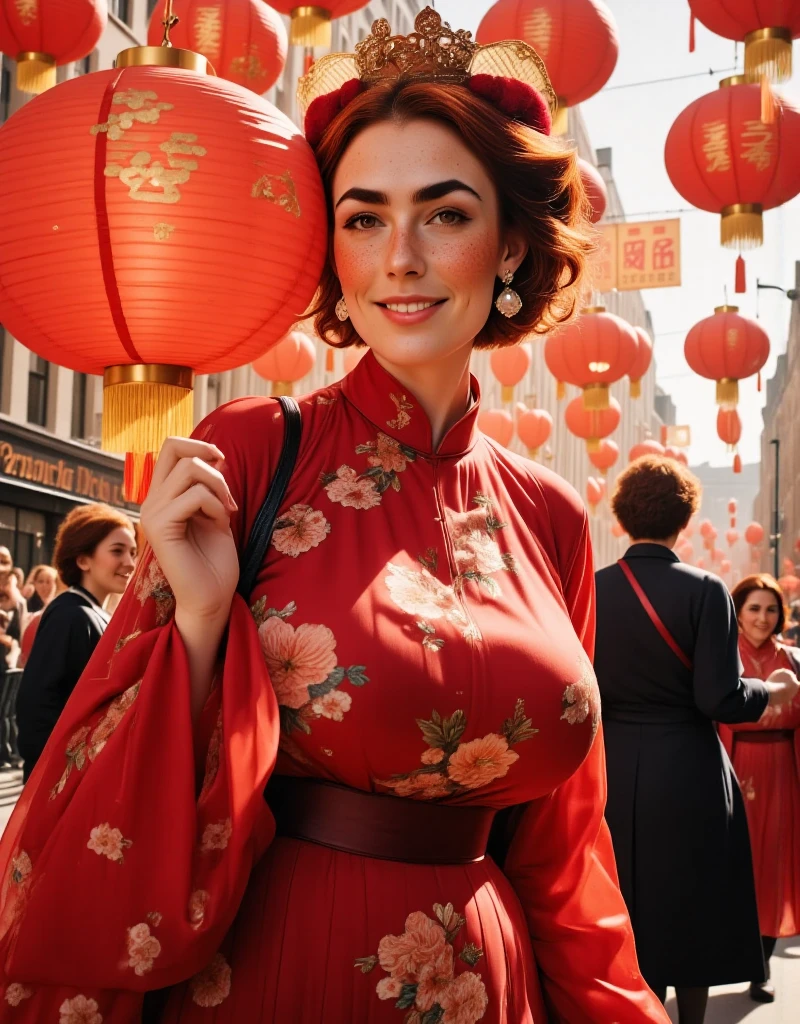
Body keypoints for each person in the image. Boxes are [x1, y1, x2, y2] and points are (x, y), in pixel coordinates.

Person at [0, 11, 669, 1022]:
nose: (398, 256)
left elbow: (562, 845)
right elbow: (102, 782)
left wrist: (614, 1007)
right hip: (280, 964)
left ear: (510, 246)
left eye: (442, 214)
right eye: (362, 218)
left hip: (494, 979)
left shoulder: (552, 515)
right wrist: (197, 623)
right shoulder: (260, 448)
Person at [594, 456, 799, 1024]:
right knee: (691, 902)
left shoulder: (592, 589)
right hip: (688, 769)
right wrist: (772, 691)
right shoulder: (706, 590)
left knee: (624, 900)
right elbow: (720, 698)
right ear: (684, 519)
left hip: (611, 768)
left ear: (622, 517)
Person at [718, 575, 800, 1004]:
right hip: (732, 766)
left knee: (775, 867)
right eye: (753, 608)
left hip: (783, 770)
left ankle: (761, 968)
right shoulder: (721, 657)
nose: (763, 618)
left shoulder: (795, 658)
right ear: (737, 610)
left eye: (771, 609)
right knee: (732, 866)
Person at [15, 504, 137, 782]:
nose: (130, 563)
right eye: (117, 551)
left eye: (132, 552)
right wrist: (54, 774)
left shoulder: (92, 613)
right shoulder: (70, 614)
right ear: (83, 560)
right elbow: (36, 703)